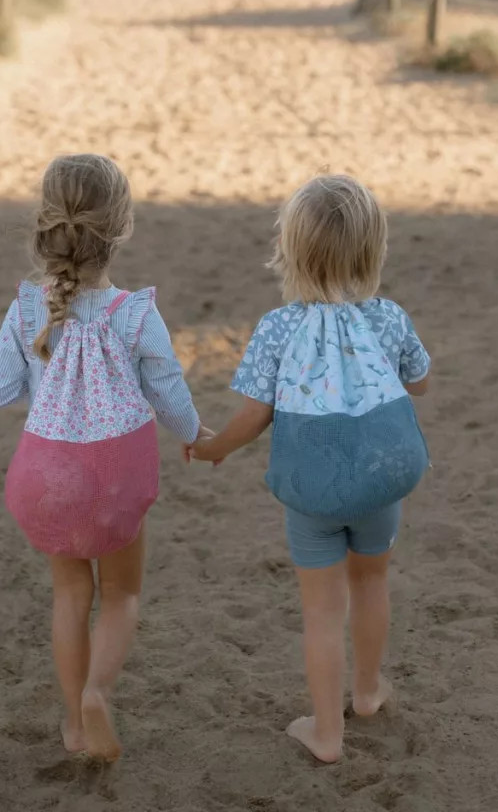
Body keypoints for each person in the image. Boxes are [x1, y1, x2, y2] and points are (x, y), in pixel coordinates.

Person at [187, 175, 430, 763]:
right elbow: (420, 382)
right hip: (379, 481)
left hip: (312, 491)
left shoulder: (278, 328)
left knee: (322, 612)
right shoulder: (388, 317)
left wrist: (215, 448)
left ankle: (326, 733)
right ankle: (367, 692)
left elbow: (255, 415)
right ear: (373, 249)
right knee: (371, 583)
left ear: (291, 250)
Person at [0, 154, 210, 762]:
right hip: (115, 477)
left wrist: (46, 385)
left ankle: (74, 727)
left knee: (69, 595)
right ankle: (97, 693)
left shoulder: (28, 309)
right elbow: (168, 391)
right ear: (122, 227)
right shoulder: (134, 313)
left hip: (48, 477)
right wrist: (195, 433)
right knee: (122, 595)